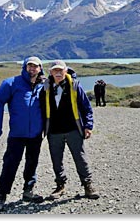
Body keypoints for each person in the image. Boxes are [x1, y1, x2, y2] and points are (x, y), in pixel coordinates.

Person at [0, 56, 45, 212]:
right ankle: (1, 196)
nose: (32, 69)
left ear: (40, 68)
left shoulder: (44, 85)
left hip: (35, 134)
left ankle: (28, 191)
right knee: (10, 164)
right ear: (25, 67)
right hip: (17, 134)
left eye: (36, 66)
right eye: (30, 66)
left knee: (32, 163)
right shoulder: (11, 83)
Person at [40, 59, 99, 200]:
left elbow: (86, 108)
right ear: (51, 72)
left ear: (66, 71)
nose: (58, 73)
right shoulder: (46, 88)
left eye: (61, 70)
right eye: (55, 70)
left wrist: (88, 126)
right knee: (56, 160)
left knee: (80, 158)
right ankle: (60, 186)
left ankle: (87, 185)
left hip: (74, 129)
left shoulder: (75, 86)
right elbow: (41, 109)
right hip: (54, 131)